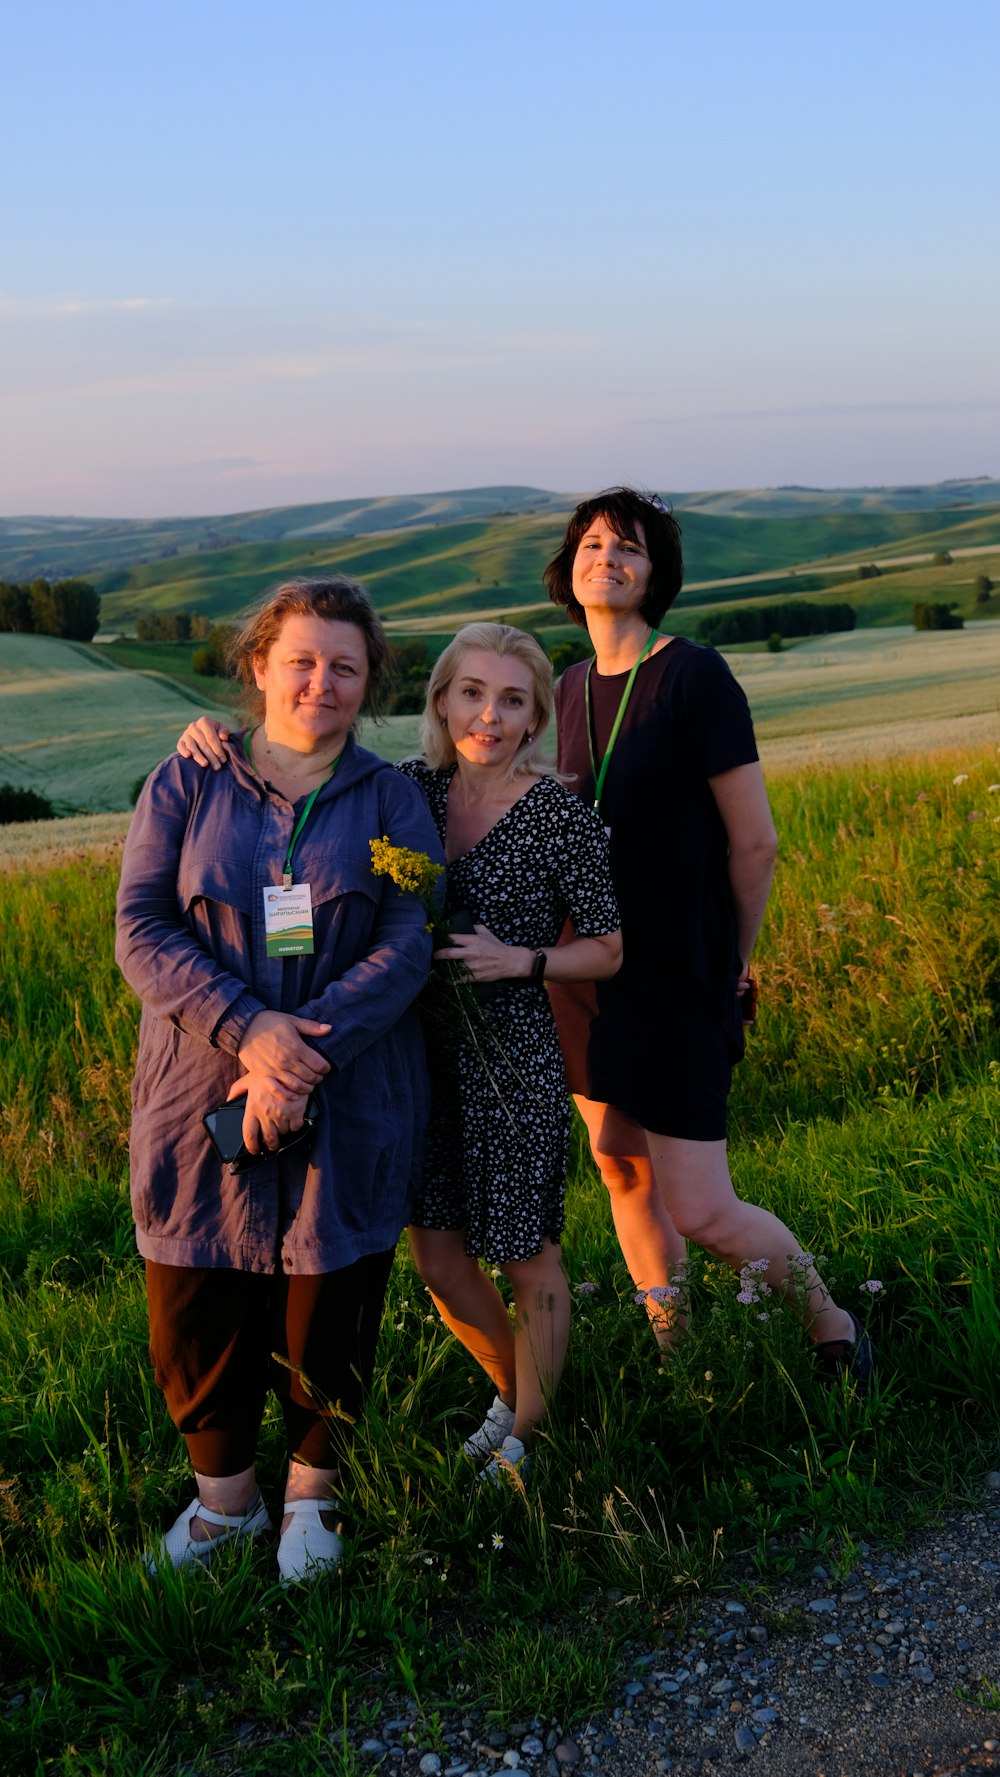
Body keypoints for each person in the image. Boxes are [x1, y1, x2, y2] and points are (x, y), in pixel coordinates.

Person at [176, 622, 622, 1481]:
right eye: (471, 693)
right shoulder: (407, 789)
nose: (488, 715)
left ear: (535, 719)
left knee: (529, 1252)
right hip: (409, 1060)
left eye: (512, 700)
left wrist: (523, 960)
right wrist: (215, 742)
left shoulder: (561, 815)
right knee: (440, 1260)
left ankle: (535, 1435)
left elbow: (608, 947)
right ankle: (518, 1392)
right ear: (441, 700)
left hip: (509, 1058)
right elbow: (298, 772)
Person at [116, 576, 443, 1583]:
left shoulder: (392, 799)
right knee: (195, 1290)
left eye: (345, 666)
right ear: (259, 667)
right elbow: (141, 924)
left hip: (346, 1089)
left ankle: (312, 1494)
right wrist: (248, 1029)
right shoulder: (189, 780)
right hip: (196, 1087)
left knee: (329, 1292)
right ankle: (226, 1508)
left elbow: (409, 936)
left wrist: (305, 1053)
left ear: (368, 682)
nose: (322, 682)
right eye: (301, 660)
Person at [543, 487, 872, 1380]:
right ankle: (676, 1351)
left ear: (658, 575)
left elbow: (755, 841)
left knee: (702, 1205)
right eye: (593, 543)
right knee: (619, 1168)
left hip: (678, 972)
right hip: (579, 974)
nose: (607, 558)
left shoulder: (695, 677)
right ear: (569, 566)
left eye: (630, 548)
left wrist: (731, 958)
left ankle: (833, 1323)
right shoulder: (562, 688)